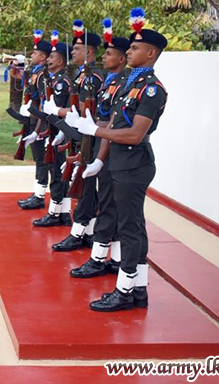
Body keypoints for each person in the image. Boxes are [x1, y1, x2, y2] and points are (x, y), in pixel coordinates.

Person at [71, 8, 168, 311]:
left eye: (136, 48)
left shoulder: (151, 89)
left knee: (129, 226)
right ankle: (138, 290)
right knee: (133, 224)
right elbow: (114, 125)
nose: (130, 52)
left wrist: (95, 129)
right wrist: (99, 156)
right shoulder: (130, 84)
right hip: (120, 161)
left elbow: (135, 134)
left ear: (150, 53)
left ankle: (125, 290)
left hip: (134, 162)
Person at [70, 24, 131, 277]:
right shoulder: (109, 83)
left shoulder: (123, 84)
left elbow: (109, 123)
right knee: (107, 203)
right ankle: (114, 259)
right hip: (101, 144)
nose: (105, 57)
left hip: (114, 149)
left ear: (122, 58)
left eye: (109, 54)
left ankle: (99, 260)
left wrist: (98, 158)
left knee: (109, 205)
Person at [50, 20, 104, 250]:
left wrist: (60, 112)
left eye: (77, 48)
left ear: (89, 51)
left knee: (85, 184)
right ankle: (87, 230)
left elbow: (85, 112)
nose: (72, 51)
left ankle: (79, 231)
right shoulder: (82, 75)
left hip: (91, 138)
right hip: (83, 136)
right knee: (85, 184)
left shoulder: (91, 77)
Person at [33, 33, 73, 227]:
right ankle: (62, 212)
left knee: (57, 173)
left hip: (59, 131)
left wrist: (60, 134)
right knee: (54, 171)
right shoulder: (52, 79)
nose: (48, 59)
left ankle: (56, 212)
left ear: (61, 60)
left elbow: (63, 110)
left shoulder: (63, 81)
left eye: (51, 57)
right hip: (51, 130)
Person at [18, 30, 53, 210]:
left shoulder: (42, 76)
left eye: (35, 53)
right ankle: (37, 192)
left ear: (43, 57)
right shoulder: (36, 73)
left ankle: (39, 196)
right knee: (38, 158)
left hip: (40, 122)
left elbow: (43, 103)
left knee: (41, 160)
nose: (32, 55)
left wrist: (38, 129)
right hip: (33, 120)